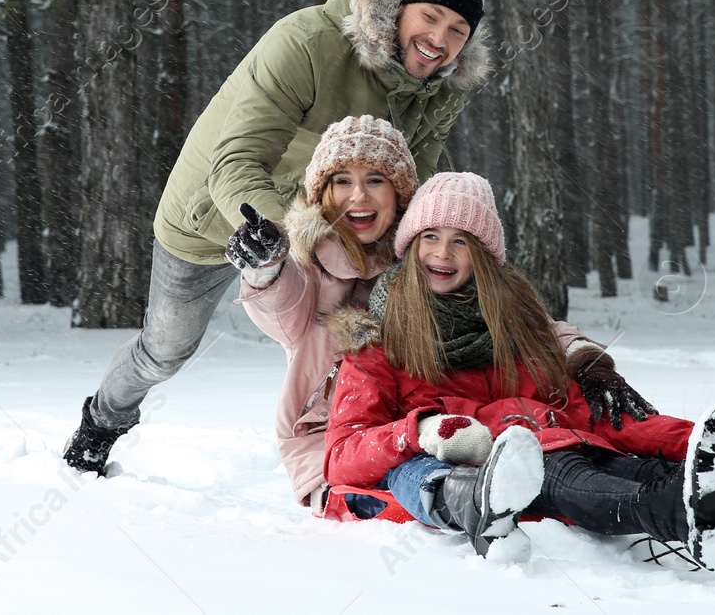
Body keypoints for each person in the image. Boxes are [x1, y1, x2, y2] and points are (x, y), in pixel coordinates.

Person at [63, 0, 652, 475]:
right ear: (398, 8)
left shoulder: (438, 85)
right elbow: (236, 160)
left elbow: (414, 182)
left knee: (352, 334)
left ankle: (354, 452)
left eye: (457, 32)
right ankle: (103, 419)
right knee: (165, 351)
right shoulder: (308, 42)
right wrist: (286, 238)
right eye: (430, 17)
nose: (439, 42)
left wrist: (452, 255)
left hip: (335, 231)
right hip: (214, 216)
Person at [323, 172, 715, 568]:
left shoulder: (516, 333)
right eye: (428, 237)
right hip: (523, 470)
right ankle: (710, 513)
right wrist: (418, 431)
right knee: (625, 492)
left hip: (575, 445)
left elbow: (592, 416)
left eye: (459, 241)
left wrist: (690, 440)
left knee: (666, 477)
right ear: (409, 244)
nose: (441, 254)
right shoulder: (379, 343)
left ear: (485, 257)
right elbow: (343, 452)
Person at [232, 116, 639, 511]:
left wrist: (586, 360)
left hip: (442, 430)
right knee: (423, 488)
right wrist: (264, 268)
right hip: (341, 455)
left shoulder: (428, 257)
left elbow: (521, 324)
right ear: (323, 193)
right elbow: (280, 304)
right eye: (342, 181)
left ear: (399, 195)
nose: (358, 196)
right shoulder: (308, 275)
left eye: (375, 180)